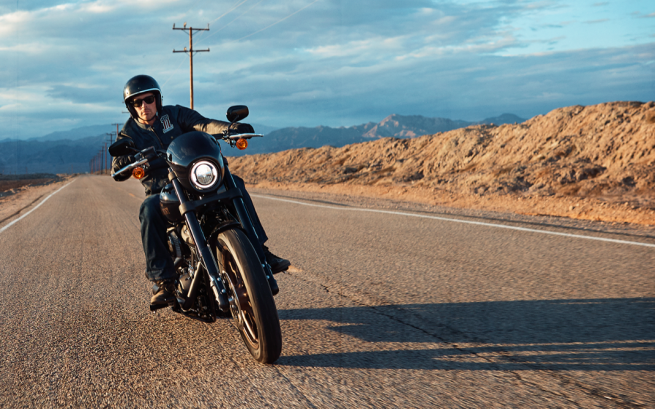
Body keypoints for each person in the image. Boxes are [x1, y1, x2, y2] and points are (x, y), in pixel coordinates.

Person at [111, 74, 289, 307]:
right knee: (148, 209)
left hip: (194, 179)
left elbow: (203, 124)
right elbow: (118, 164)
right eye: (137, 102)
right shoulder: (129, 133)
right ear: (131, 107)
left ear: (157, 99)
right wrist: (125, 163)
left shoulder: (174, 114)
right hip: (164, 191)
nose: (144, 106)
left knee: (234, 182)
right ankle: (163, 280)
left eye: (149, 99)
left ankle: (259, 250)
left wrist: (229, 128)